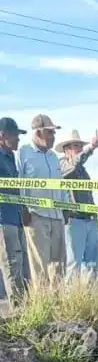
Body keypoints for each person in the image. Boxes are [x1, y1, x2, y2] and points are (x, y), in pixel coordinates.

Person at [16, 114, 68, 285]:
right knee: (40, 264)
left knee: (59, 263)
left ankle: (59, 302)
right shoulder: (23, 153)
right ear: (38, 132)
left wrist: (65, 207)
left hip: (57, 215)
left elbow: (60, 184)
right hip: (36, 215)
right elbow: (18, 183)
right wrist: (23, 208)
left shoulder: (53, 156)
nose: (54, 137)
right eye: (50, 133)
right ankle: (44, 303)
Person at [58, 129, 98, 278]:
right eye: (75, 146)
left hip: (88, 217)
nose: (79, 148)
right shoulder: (63, 165)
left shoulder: (82, 169)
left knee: (91, 261)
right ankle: (71, 297)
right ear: (66, 150)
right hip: (74, 218)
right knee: (74, 261)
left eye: (80, 145)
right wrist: (91, 148)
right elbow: (75, 163)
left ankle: (88, 296)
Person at [0, 117, 29, 306]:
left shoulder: (11, 157)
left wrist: (24, 208)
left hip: (16, 216)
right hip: (3, 218)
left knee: (21, 262)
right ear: (2, 135)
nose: (18, 139)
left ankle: (24, 304)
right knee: (11, 263)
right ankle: (17, 307)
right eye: (15, 135)